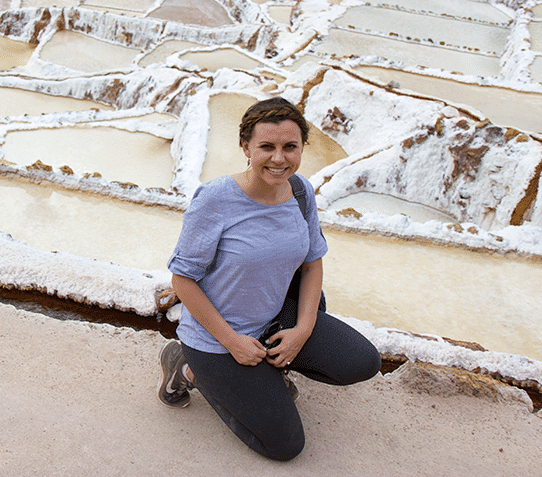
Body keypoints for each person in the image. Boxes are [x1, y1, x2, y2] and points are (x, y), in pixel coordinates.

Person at [157, 97, 380, 461]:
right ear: (245, 147)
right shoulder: (215, 200)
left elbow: (312, 264)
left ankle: (266, 373)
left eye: (290, 147)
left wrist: (302, 331)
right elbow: (182, 281)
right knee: (285, 446)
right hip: (218, 337)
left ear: (302, 148)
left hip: (275, 321)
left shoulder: (300, 191)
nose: (279, 158)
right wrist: (233, 342)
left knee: (362, 361)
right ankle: (187, 367)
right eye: (267, 147)